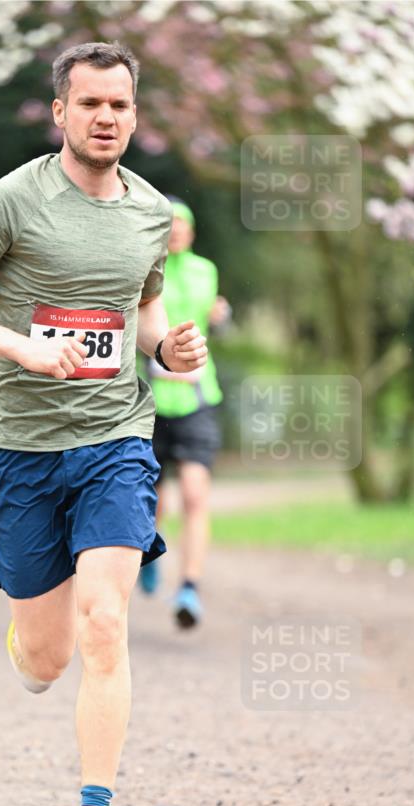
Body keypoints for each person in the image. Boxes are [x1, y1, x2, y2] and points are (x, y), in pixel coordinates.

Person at [0, 42, 207, 806]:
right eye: (90, 105)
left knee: (107, 622)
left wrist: (168, 352)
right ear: (61, 112)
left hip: (115, 438)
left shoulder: (150, 213)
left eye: (119, 104)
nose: (106, 117)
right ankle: (26, 642)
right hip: (18, 449)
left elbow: (141, 315)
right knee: (47, 658)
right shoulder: (10, 201)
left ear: (133, 113)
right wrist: (22, 350)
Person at [139, 200, 228, 629]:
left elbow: (214, 319)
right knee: (152, 500)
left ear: (191, 232)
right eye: (168, 224)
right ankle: (149, 554)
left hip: (196, 398)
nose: (175, 230)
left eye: (182, 225)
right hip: (151, 401)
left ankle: (190, 586)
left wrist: (222, 317)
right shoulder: (144, 269)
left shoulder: (206, 271)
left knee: (194, 495)